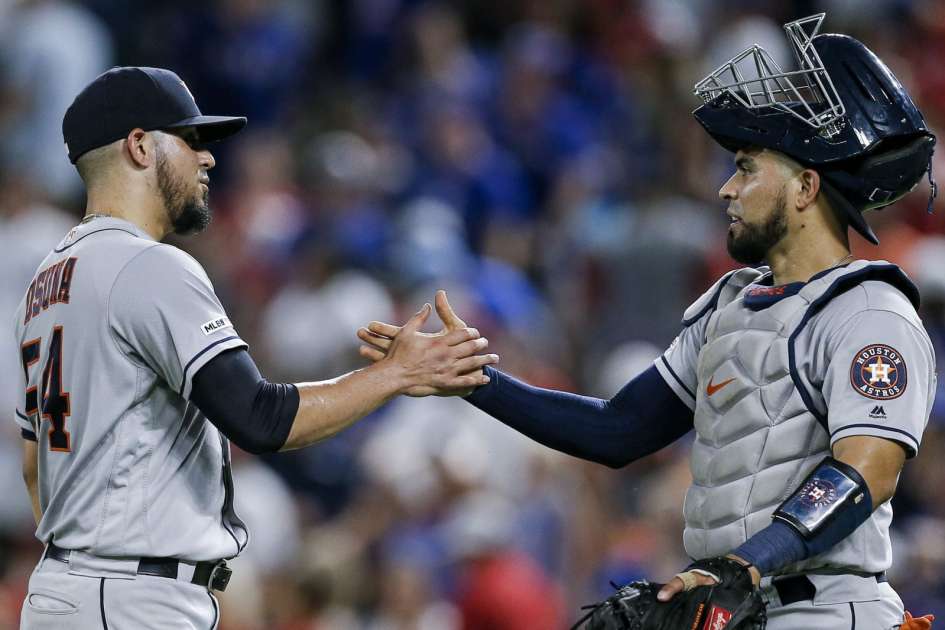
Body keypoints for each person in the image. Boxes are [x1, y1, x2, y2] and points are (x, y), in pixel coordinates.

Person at [358, 16, 937, 629]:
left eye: (746, 168)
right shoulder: (729, 307)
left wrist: (747, 563)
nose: (726, 189)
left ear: (805, 188)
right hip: (739, 607)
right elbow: (619, 430)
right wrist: (471, 378)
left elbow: (865, 468)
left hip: (831, 608)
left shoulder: (869, 312)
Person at [13, 66, 498, 630]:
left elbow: (34, 468)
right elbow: (260, 418)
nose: (207, 158)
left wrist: (81, 557)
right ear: (140, 147)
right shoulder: (147, 265)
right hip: (130, 601)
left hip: (62, 592)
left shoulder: (44, 285)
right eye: (189, 139)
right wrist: (397, 373)